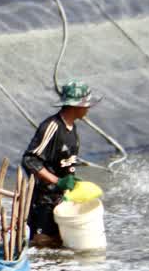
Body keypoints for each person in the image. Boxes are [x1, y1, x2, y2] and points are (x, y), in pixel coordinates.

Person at [22, 79, 98, 247]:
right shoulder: (52, 127)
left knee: (60, 243)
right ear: (75, 106)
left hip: (62, 199)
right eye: (85, 104)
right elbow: (30, 160)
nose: (88, 108)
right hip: (44, 200)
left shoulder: (73, 128)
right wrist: (57, 181)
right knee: (41, 242)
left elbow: (65, 163)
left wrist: (71, 181)